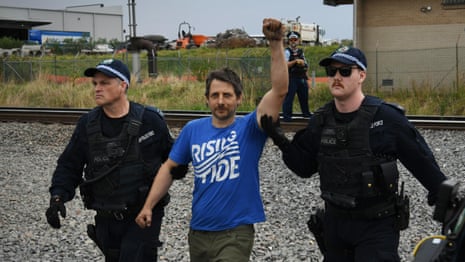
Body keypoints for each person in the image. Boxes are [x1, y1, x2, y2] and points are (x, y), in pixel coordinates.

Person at [260, 46, 448, 261]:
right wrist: (280, 140)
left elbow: (422, 162)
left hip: (376, 226)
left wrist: (446, 201)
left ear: (361, 75)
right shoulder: (321, 120)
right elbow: (304, 167)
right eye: (332, 72)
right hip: (335, 225)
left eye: (345, 71)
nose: (337, 77)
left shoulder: (387, 119)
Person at [135, 18, 288, 262]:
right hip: (199, 232)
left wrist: (276, 43)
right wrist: (148, 206)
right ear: (206, 99)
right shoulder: (193, 130)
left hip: (235, 233)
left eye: (227, 95)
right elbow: (169, 168)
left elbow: (279, 91)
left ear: (239, 98)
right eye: (215, 95)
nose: (220, 101)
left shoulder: (250, 127)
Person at [45, 58, 185, 261]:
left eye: (105, 83)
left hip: (143, 214)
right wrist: (58, 197)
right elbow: (69, 165)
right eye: (95, 83)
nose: (97, 89)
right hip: (106, 216)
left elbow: (172, 160)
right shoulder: (87, 125)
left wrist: (179, 168)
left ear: (123, 85)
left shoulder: (150, 121)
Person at [282, 31, 312, 122]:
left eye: (295, 39)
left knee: (304, 97)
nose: (293, 41)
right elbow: (284, 64)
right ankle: (287, 116)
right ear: (289, 41)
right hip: (291, 78)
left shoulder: (300, 52)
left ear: (298, 40)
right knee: (289, 98)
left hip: (301, 78)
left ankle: (306, 114)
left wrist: (307, 78)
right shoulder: (287, 52)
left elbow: (305, 64)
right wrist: (295, 62)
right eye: (291, 40)